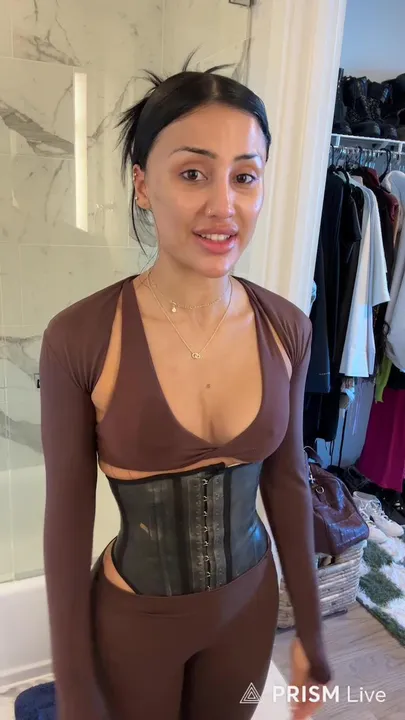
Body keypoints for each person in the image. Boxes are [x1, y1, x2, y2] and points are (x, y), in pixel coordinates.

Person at [39, 63, 332, 720]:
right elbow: (66, 523)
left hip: (248, 610)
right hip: (135, 624)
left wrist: (311, 634)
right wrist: (74, 685)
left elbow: (287, 482)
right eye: (193, 173)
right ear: (143, 185)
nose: (223, 205)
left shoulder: (286, 327)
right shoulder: (81, 338)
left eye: (244, 176)